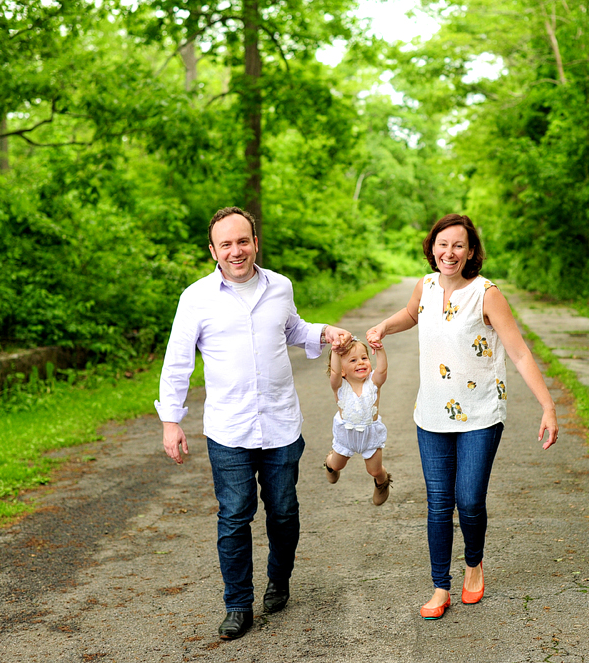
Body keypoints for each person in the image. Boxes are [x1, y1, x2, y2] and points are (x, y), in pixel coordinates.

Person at [155, 207, 352, 640]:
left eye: (242, 241)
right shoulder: (196, 299)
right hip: (229, 429)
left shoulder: (280, 286)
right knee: (234, 515)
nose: (236, 250)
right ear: (213, 251)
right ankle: (238, 604)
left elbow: (294, 329)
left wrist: (324, 333)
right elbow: (177, 364)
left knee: (283, 512)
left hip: (281, 424)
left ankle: (279, 579)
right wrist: (172, 421)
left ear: (255, 242)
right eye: (225, 244)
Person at [366, 213, 558, 620]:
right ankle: (440, 587)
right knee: (438, 503)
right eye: (442, 244)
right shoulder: (426, 285)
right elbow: (412, 314)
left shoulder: (487, 295)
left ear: (470, 251)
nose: (448, 252)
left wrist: (548, 405)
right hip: (431, 415)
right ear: (432, 247)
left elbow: (520, 352)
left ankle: (474, 563)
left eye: (458, 245)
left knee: (468, 500)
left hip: (481, 415)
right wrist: (384, 325)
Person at [324, 338, 393, 505]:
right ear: (342, 370)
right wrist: (335, 350)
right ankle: (329, 463)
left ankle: (382, 482)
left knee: (374, 470)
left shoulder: (373, 382)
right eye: (353, 360)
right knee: (337, 465)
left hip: (370, 435)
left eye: (364, 358)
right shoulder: (339, 386)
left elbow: (382, 370)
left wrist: (380, 349)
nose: (360, 363)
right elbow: (333, 372)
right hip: (346, 436)